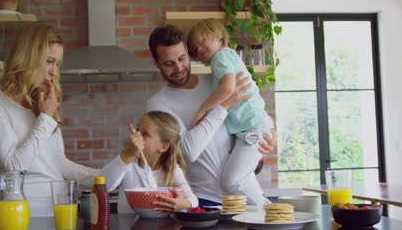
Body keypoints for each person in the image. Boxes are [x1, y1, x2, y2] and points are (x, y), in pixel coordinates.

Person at [0, 22, 125, 217]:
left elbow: (57, 163)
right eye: (49, 61)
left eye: (57, 64)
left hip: (59, 212)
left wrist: (100, 176)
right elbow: (13, 166)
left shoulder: (42, 101)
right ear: (28, 57)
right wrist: (45, 118)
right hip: (19, 215)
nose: (54, 71)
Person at [147, 24, 276, 207]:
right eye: (168, 63)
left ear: (188, 52)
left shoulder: (217, 81)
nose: (178, 68)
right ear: (156, 62)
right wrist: (223, 105)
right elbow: (188, 152)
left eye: (182, 58)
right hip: (207, 202)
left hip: (243, 197)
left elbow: (249, 112)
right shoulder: (158, 104)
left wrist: (267, 138)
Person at [185, 19, 275, 207]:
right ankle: (269, 210)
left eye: (202, 41)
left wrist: (204, 109)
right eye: (195, 48)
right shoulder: (225, 58)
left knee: (231, 181)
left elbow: (228, 89)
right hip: (253, 127)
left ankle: (269, 210)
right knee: (241, 178)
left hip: (254, 127)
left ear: (219, 37)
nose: (200, 49)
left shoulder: (221, 56)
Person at [104, 111, 198, 214]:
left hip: (163, 228)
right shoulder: (129, 164)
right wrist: (127, 154)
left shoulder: (172, 170)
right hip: (128, 228)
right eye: (137, 130)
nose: (137, 136)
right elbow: (105, 186)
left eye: (145, 134)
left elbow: (194, 200)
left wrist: (183, 204)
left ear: (163, 147)